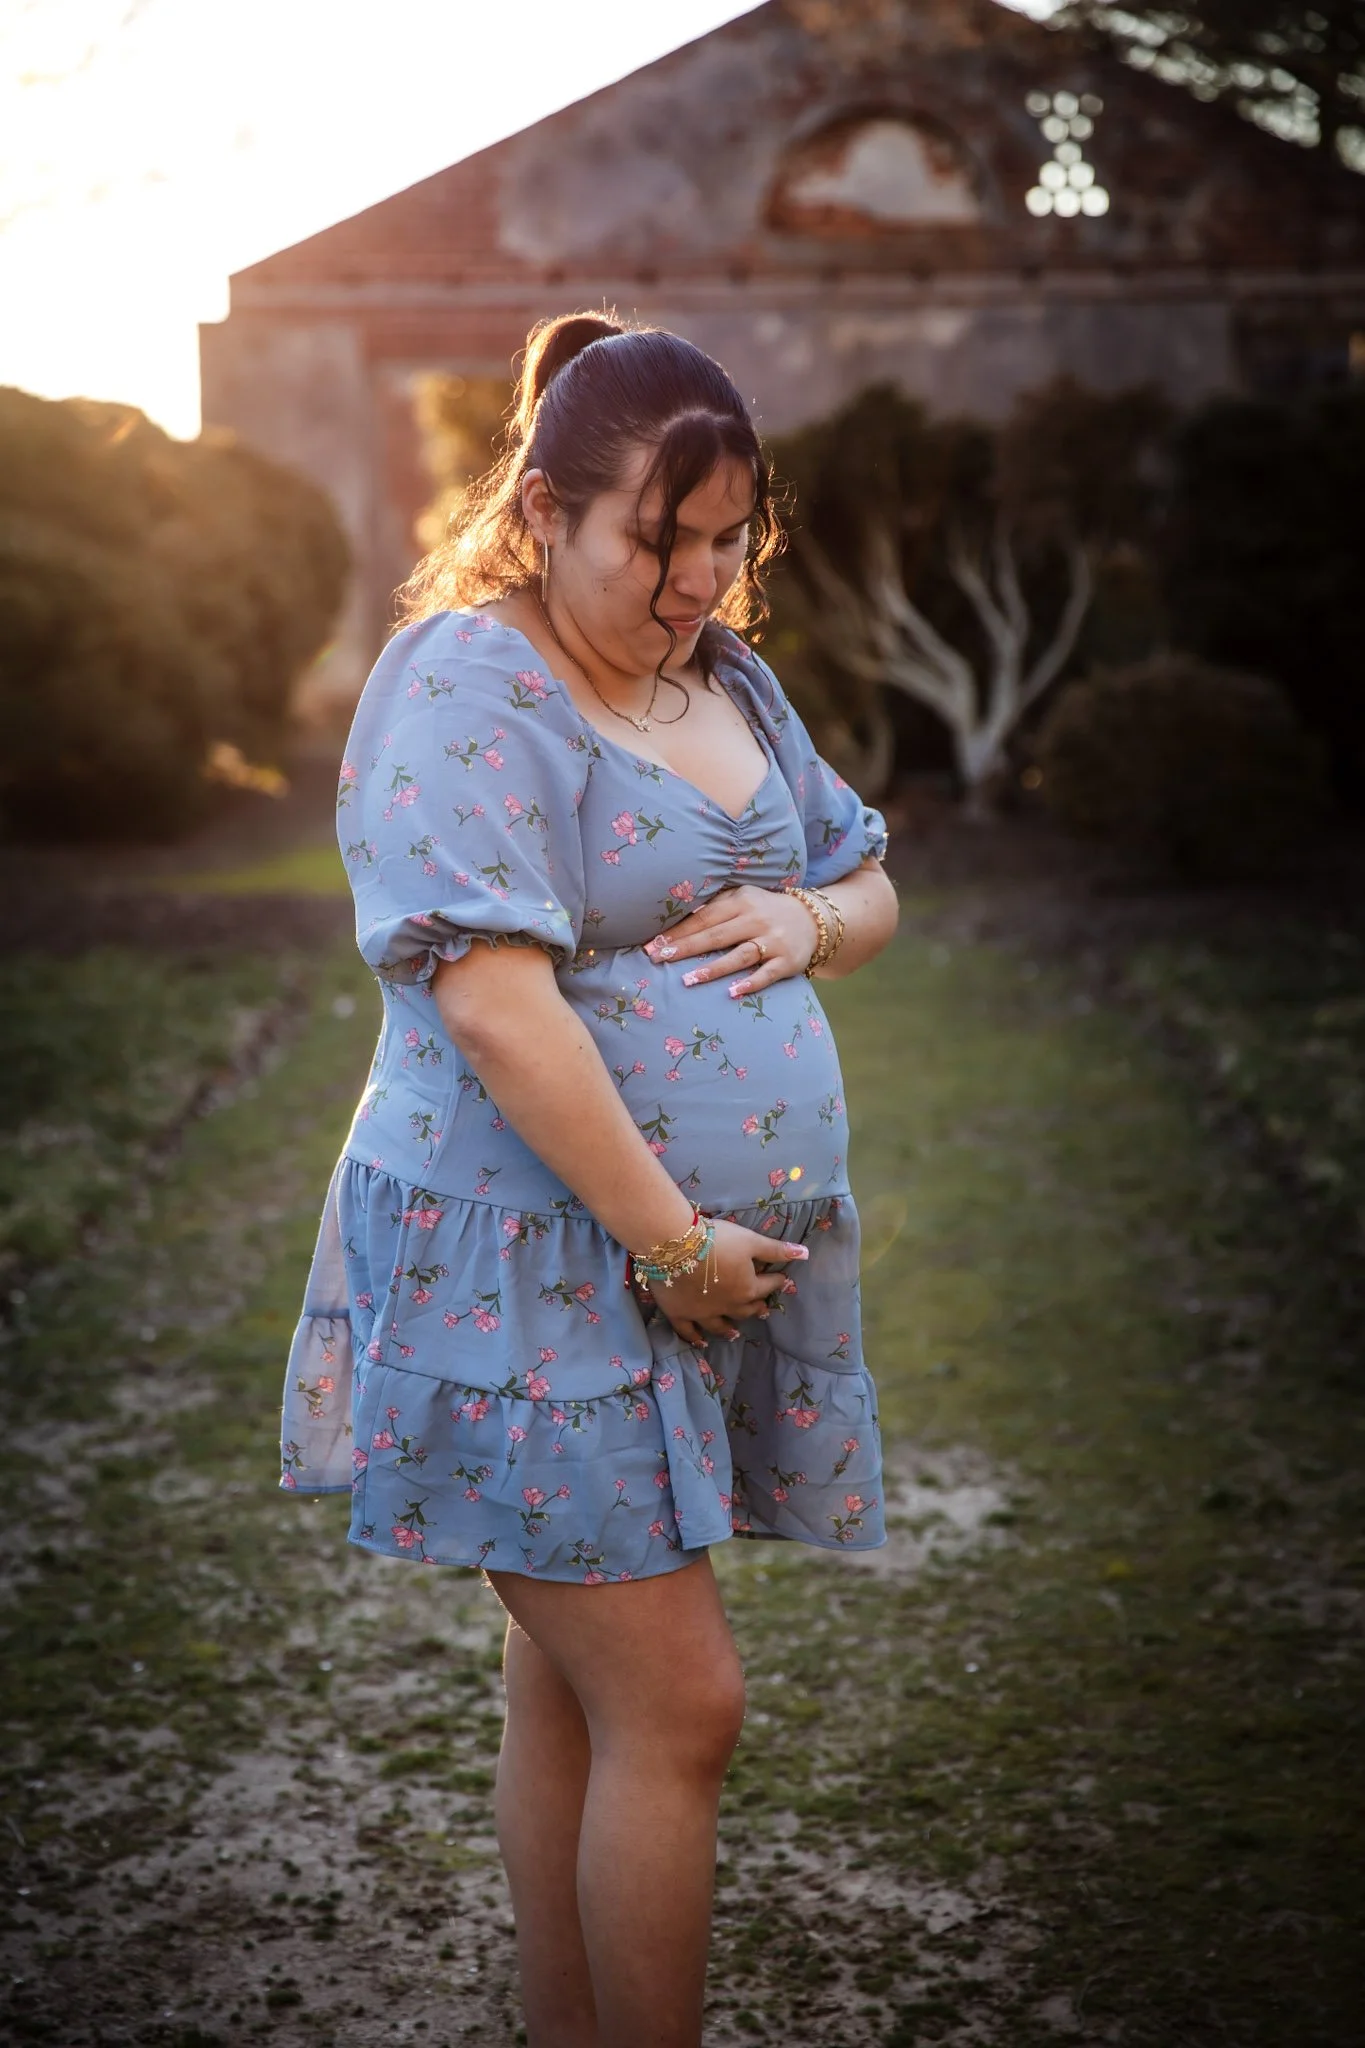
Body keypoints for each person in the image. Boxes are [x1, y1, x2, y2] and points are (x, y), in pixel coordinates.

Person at [280, 311, 899, 2048]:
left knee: (575, 1688)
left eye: (729, 539)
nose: (699, 578)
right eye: (661, 537)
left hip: (655, 1260)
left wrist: (811, 917)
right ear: (543, 512)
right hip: (531, 1258)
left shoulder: (729, 680)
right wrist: (677, 1243)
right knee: (681, 1706)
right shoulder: (469, 684)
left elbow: (870, 882)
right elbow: (491, 1000)